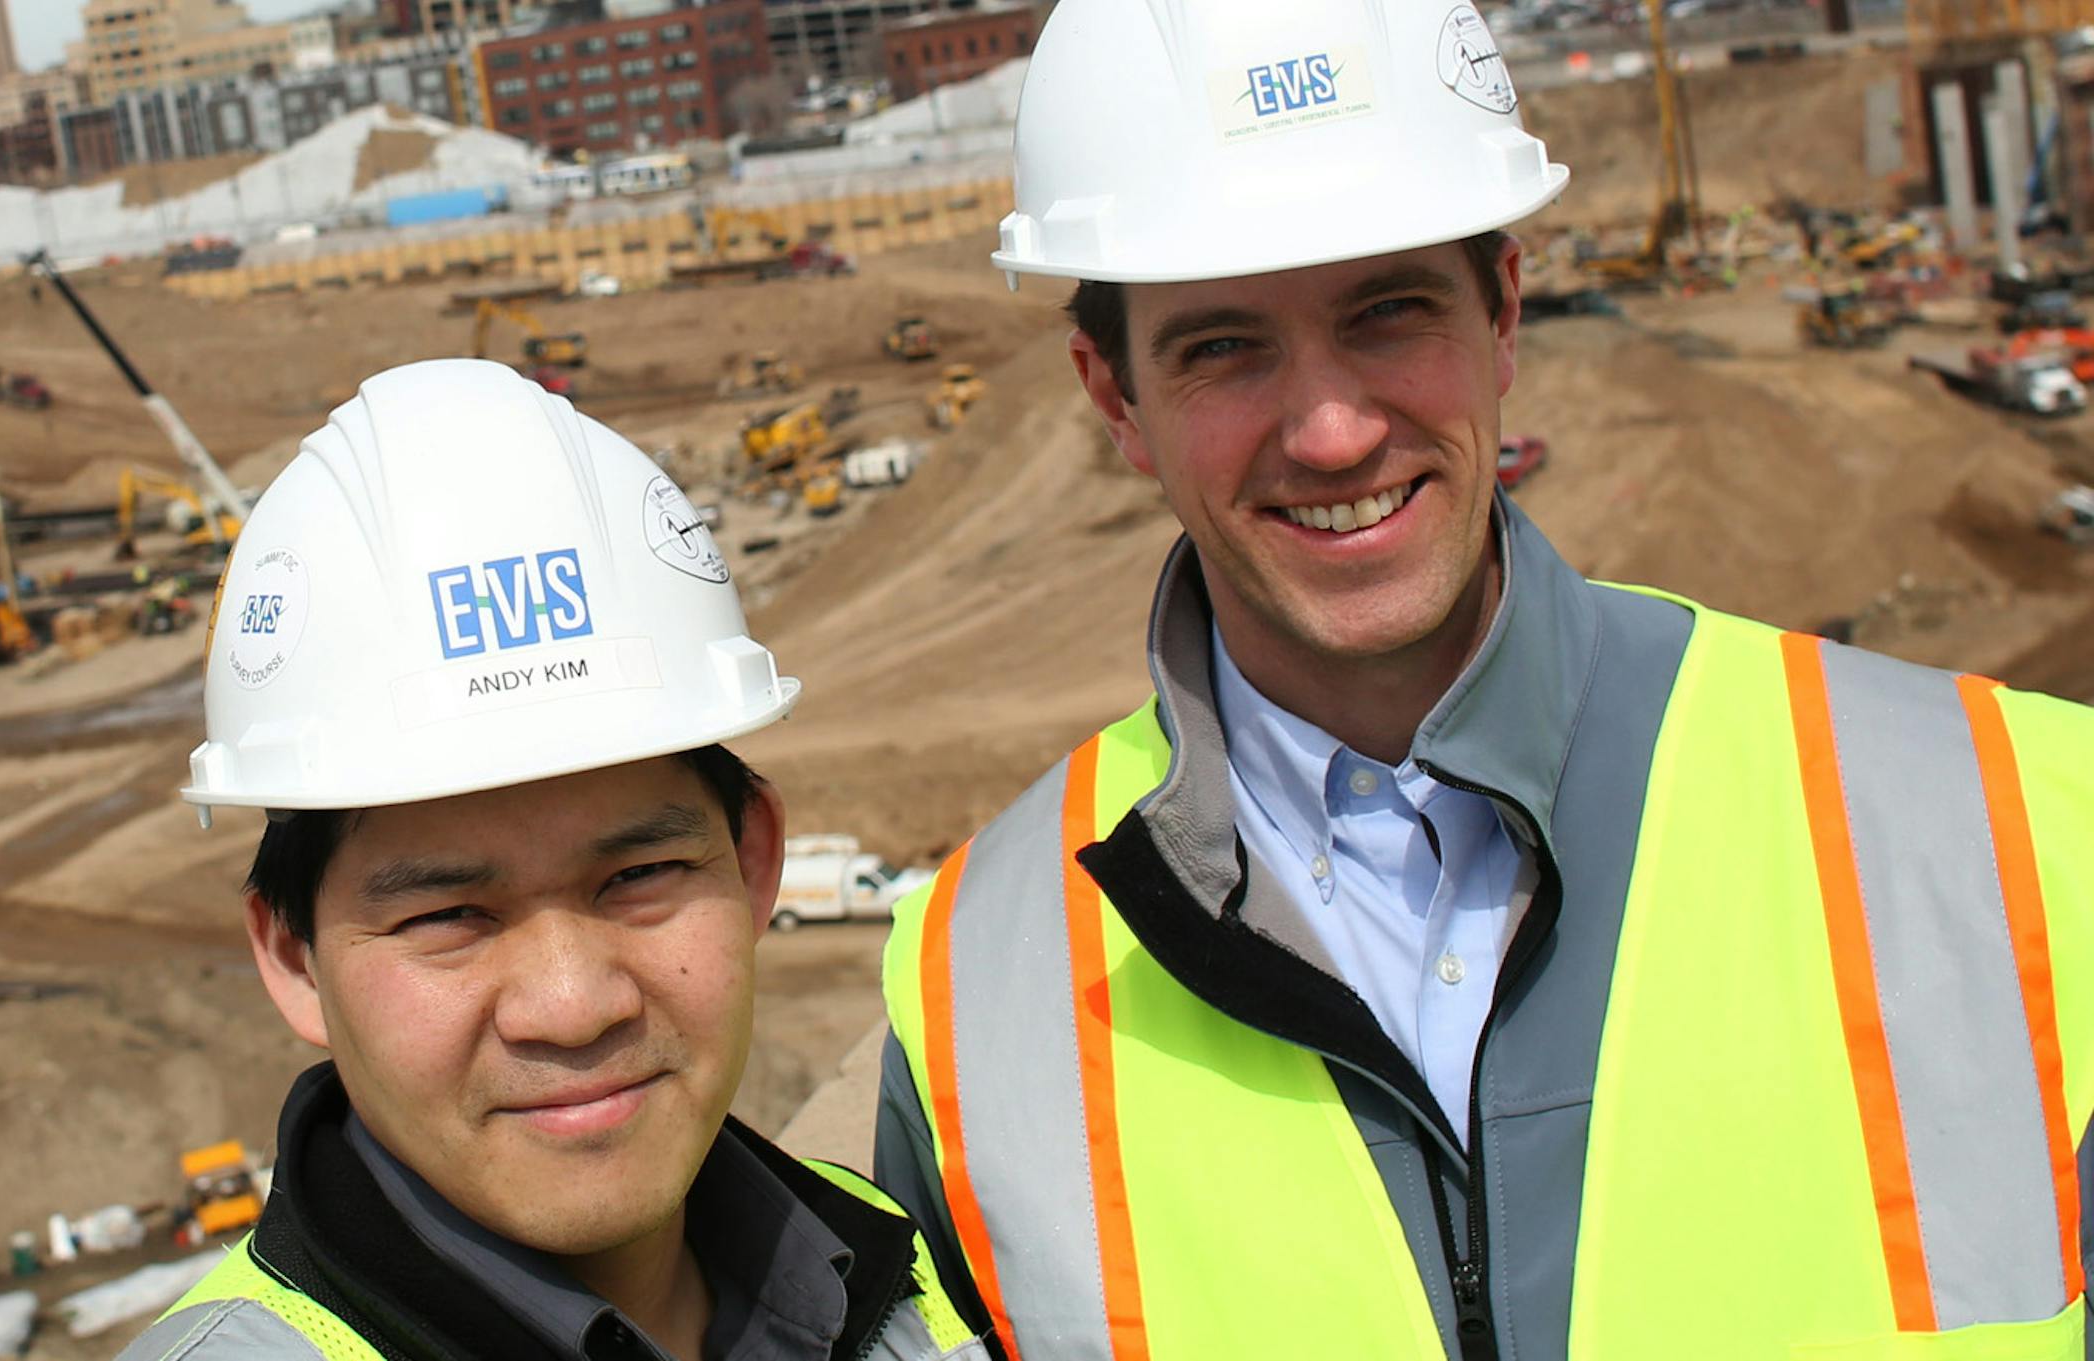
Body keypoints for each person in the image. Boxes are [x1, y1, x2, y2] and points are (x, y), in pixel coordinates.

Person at [872, 1, 2094, 1356]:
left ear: (1503, 314)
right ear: (1114, 400)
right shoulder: (981, 989)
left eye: (1388, 310)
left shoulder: (2023, 835)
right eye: (1222, 346)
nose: (1333, 431)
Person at [120, 359, 987, 1361]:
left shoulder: (890, 1273)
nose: (575, 1005)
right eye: (448, 916)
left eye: (636, 877)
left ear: (754, 863)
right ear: (294, 957)